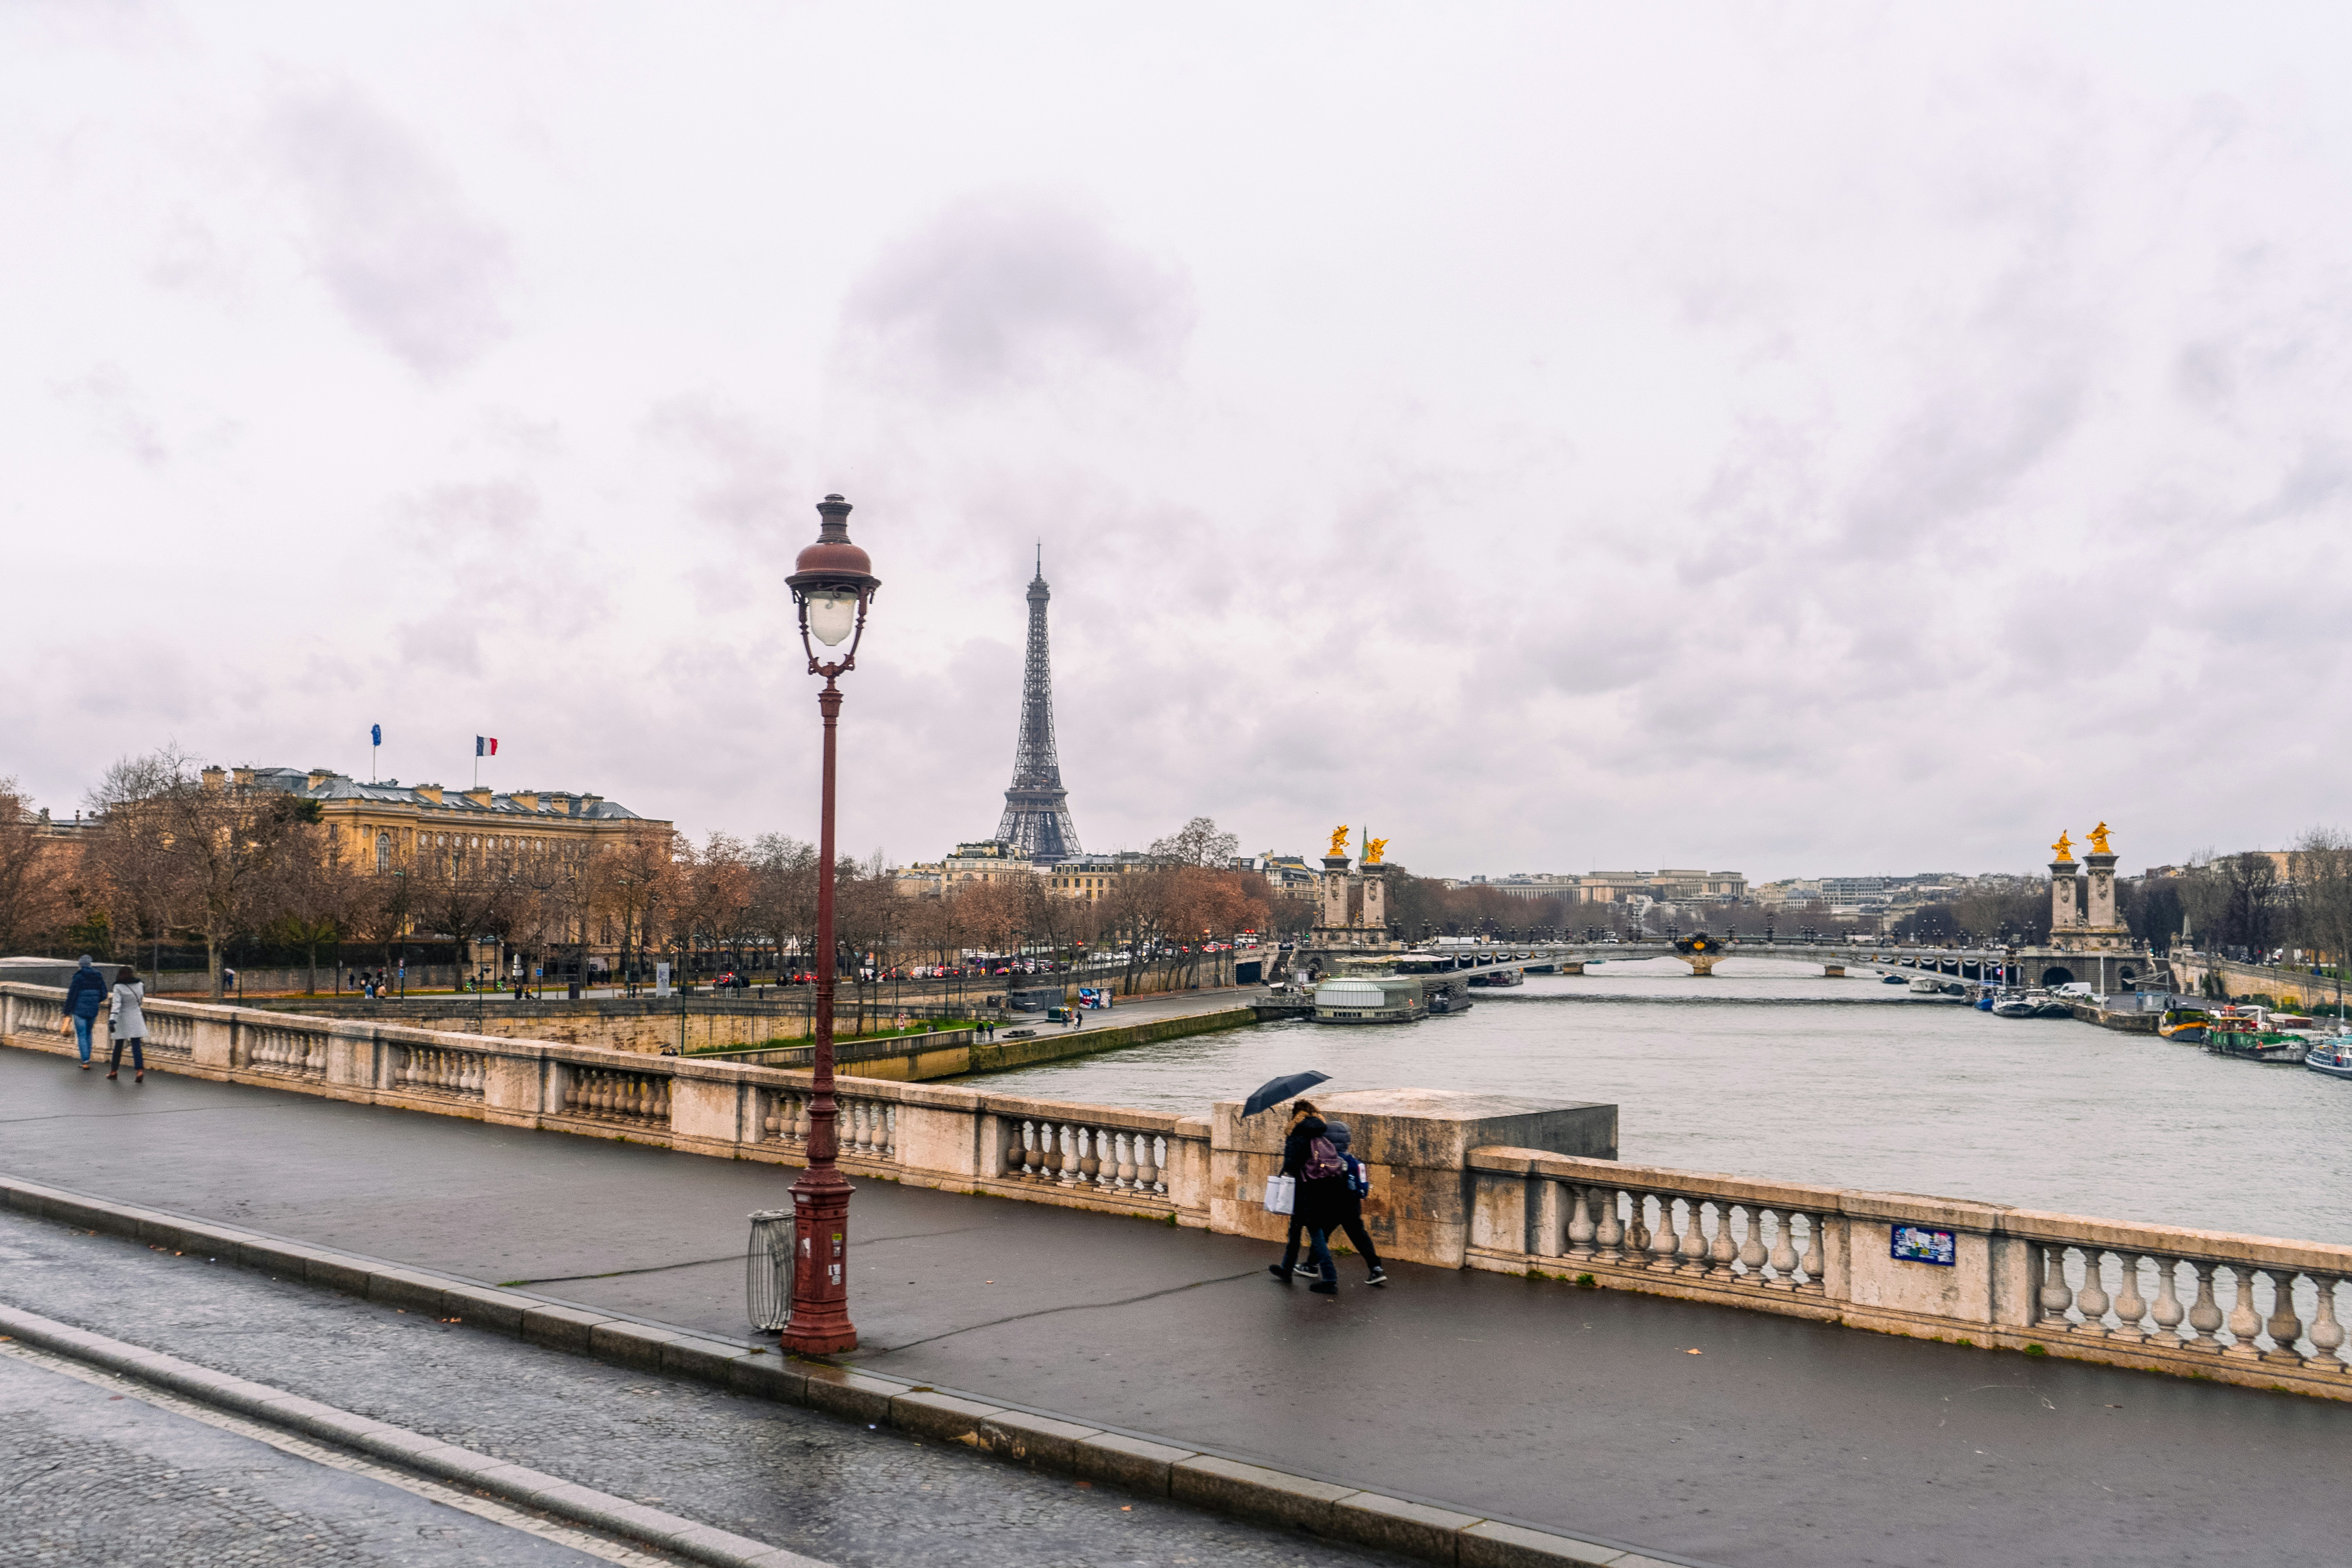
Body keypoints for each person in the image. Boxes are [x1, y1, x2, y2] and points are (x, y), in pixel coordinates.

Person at [1265, 1100, 1350, 1295]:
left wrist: (1288, 1166)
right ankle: (1287, 1269)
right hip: (1320, 1190)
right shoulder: (1320, 1133)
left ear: (1296, 1116)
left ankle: (1330, 1279)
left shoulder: (1296, 1134)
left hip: (1303, 1193)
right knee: (1297, 1231)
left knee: (1315, 1235)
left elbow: (1291, 1165)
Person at [1323, 1120, 1387, 1286]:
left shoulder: (1330, 1161)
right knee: (1360, 1237)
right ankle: (1376, 1268)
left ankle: (1311, 1265)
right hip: (1352, 1204)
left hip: (1334, 1204)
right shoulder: (1354, 1162)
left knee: (1321, 1234)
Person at [64, 955, 106, 1069]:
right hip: (93, 1010)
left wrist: (67, 1011)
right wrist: (95, 1001)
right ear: (90, 964)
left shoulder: (78, 977)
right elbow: (104, 994)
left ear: (80, 965)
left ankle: (86, 1061)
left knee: (81, 1035)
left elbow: (71, 996)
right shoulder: (98, 976)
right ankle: (88, 1059)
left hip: (79, 1010)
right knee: (88, 1033)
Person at [107, 965, 146, 1082]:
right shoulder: (140, 985)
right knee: (136, 1046)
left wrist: (112, 1019)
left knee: (118, 1047)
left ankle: (114, 1072)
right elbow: (141, 999)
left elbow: (117, 1004)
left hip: (122, 1018)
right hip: (136, 1017)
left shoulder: (118, 986)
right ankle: (139, 1071)